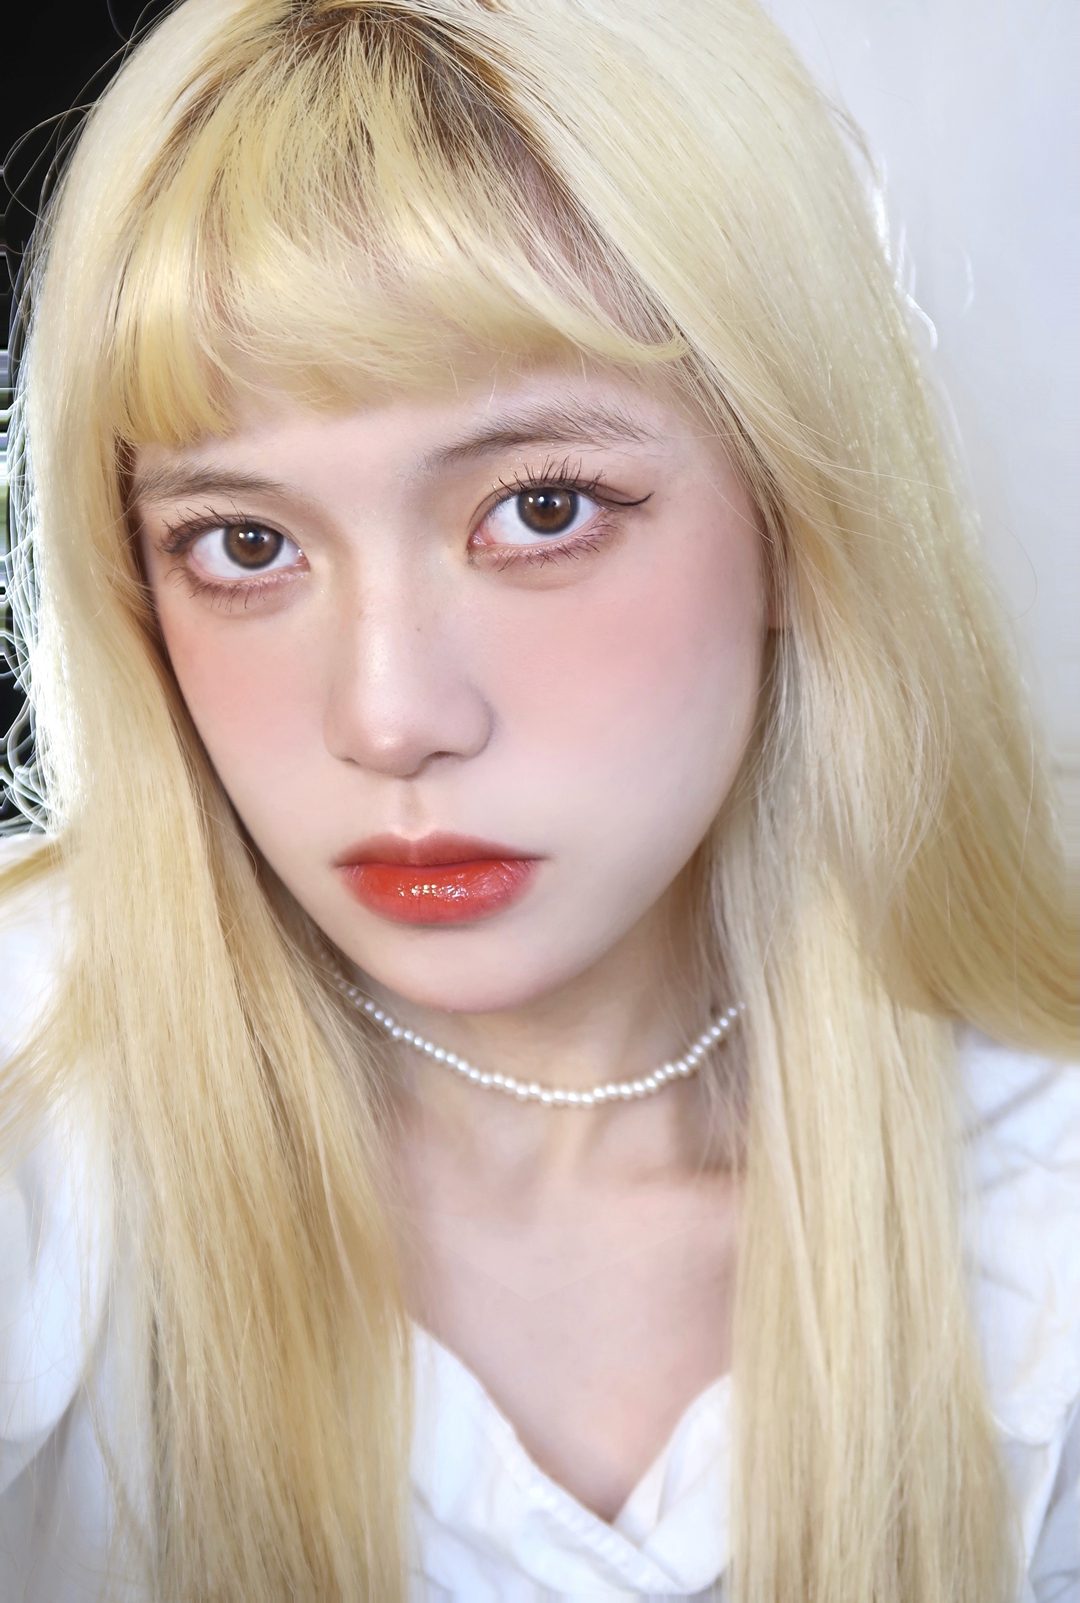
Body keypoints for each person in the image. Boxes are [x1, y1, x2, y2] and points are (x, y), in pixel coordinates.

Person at [0, 0, 1076, 1598]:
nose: (390, 719)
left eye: (542, 509)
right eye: (245, 544)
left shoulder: (1038, 1193)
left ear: (801, 515)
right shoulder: (38, 1094)